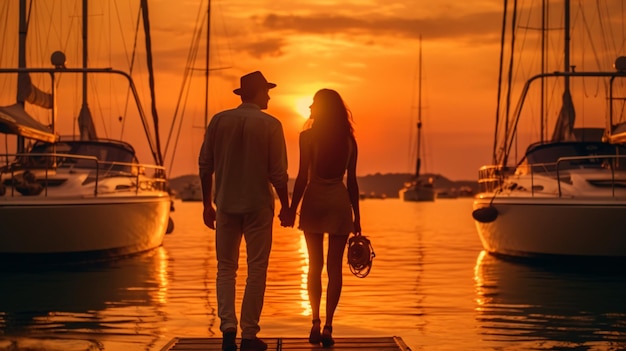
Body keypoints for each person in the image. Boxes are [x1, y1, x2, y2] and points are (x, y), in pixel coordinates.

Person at [198, 71, 290, 351]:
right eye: (267, 91)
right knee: (256, 269)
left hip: (226, 204)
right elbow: (278, 174)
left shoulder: (219, 121)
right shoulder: (271, 125)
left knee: (225, 268)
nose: (270, 96)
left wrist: (206, 204)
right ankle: (249, 335)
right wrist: (286, 206)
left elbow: (205, 166)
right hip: (258, 206)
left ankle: (227, 329)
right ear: (259, 93)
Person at [283, 88, 361, 348]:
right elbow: (352, 182)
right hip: (339, 204)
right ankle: (328, 326)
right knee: (335, 268)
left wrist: (292, 209)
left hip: (314, 201)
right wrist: (357, 218)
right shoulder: (349, 142)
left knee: (315, 266)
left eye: (314, 103)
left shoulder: (307, 138)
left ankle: (315, 321)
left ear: (323, 108)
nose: (309, 108)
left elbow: (302, 176)